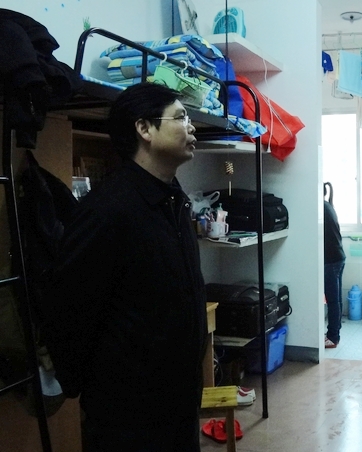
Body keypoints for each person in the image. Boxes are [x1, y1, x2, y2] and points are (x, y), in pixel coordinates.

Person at [45, 83, 207, 452]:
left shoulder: (173, 200)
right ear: (144, 129)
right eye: (181, 117)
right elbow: (69, 308)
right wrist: (86, 384)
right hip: (128, 412)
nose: (191, 126)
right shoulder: (108, 211)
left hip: (178, 399)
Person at [324, 182, 346, 348]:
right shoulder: (327, 206)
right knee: (335, 300)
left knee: (332, 300)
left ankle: (333, 337)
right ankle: (334, 333)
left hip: (331, 260)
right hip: (337, 257)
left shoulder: (321, 209)